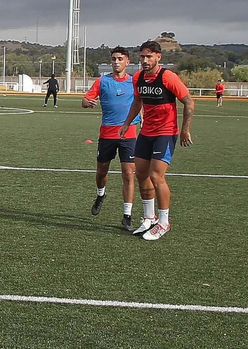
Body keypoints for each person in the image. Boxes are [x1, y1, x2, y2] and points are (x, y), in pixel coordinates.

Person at [119, 40, 194, 241]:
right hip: (146, 132)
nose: (144, 60)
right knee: (141, 173)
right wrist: (127, 123)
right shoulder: (138, 78)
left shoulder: (168, 77)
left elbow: (188, 102)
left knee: (156, 175)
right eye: (142, 56)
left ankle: (163, 222)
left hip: (166, 132)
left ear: (158, 57)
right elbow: (137, 102)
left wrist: (185, 130)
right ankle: (149, 218)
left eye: (149, 56)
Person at [81, 47, 140, 231]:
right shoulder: (102, 81)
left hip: (129, 134)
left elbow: (142, 102)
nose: (116, 62)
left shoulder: (134, 82)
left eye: (120, 59)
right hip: (107, 134)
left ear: (127, 62)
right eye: (113, 59)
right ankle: (101, 194)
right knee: (101, 172)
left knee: (128, 174)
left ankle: (127, 216)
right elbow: (85, 100)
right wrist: (87, 103)